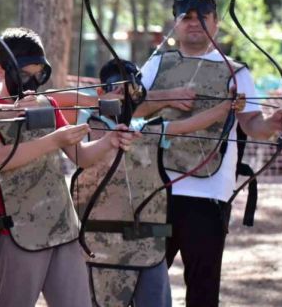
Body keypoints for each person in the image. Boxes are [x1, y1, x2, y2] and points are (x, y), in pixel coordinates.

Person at [139, 0, 282, 306]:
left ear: (216, 23)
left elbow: (253, 125)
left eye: (203, 16)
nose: (194, 23)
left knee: (203, 286)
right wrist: (167, 96)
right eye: (186, 16)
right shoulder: (157, 65)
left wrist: (274, 124)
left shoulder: (236, 72)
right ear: (175, 23)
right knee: (145, 282)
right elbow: (128, 111)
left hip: (208, 193)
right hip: (154, 190)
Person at [0, 27, 139, 307]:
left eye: (38, 74)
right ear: (0, 70)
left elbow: (81, 156)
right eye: (23, 74)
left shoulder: (48, 104)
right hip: (20, 234)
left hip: (64, 229)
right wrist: (54, 140)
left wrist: (110, 141)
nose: (32, 82)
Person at [77, 58, 245, 307]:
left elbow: (186, 125)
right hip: (99, 239)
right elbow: (68, 108)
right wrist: (102, 110)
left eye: (132, 90)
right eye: (117, 88)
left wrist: (226, 109)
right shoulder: (86, 120)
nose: (124, 96)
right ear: (101, 91)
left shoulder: (144, 127)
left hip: (144, 240)